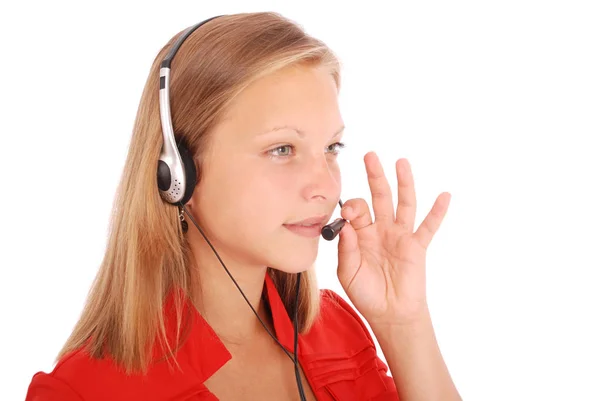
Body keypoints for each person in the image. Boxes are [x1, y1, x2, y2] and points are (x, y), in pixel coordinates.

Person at [25, 12, 461, 401]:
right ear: (177, 175)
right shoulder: (83, 392)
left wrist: (404, 326)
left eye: (331, 146)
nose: (326, 187)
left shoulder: (337, 332)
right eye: (282, 149)